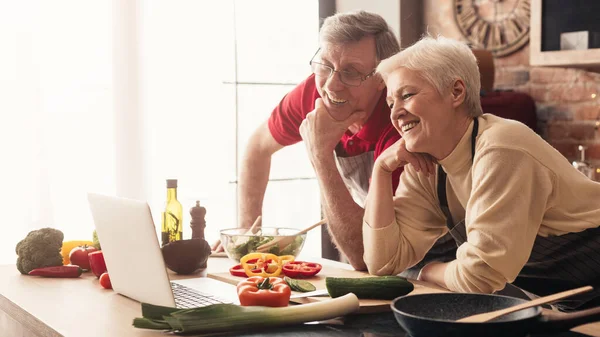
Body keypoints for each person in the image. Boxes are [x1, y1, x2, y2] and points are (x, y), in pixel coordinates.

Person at [364, 34, 600, 310]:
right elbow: (383, 263)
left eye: (407, 95)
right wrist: (381, 169)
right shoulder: (427, 167)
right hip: (578, 306)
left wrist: (429, 271)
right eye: (391, 103)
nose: (396, 114)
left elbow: (479, 276)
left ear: (456, 92)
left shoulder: (502, 146)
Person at [213, 10, 453, 272]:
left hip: (446, 246)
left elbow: (365, 256)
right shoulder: (311, 93)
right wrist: (248, 238)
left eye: (351, 72)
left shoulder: (401, 123)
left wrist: (320, 155)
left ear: (382, 79)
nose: (331, 86)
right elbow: (257, 148)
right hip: (381, 245)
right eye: (325, 65)